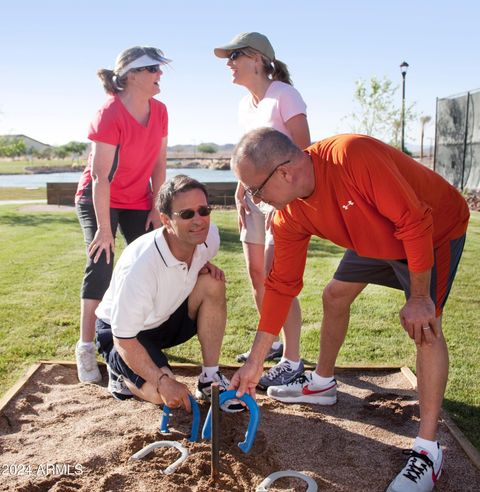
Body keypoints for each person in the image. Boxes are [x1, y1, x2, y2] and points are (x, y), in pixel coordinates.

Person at [229, 128, 469, 492]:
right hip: (373, 236)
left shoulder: (351, 157)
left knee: (426, 327)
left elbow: (414, 220)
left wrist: (419, 298)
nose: (254, 199)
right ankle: (322, 383)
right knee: (334, 295)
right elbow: (281, 286)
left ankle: (427, 450)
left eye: (255, 190)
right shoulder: (289, 213)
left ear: (284, 172)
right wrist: (256, 361)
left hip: (431, 229)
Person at [95, 175, 242, 412]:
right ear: (165, 220)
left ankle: (209, 378)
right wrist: (163, 381)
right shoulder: (141, 266)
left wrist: (202, 267)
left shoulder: (209, 237)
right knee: (163, 395)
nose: (199, 221)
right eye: (186, 214)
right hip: (122, 334)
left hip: (164, 318)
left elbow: (200, 257)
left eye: (203, 210)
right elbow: (123, 338)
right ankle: (120, 375)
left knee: (213, 283)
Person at [214, 32, 311, 390]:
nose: (229, 64)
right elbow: (250, 155)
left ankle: (293, 359)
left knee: (276, 276)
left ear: (256, 58)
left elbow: (304, 152)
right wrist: (242, 189)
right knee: (256, 272)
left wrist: (286, 202)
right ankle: (270, 343)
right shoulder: (245, 106)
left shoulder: (285, 95)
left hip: (281, 202)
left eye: (234, 55)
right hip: (253, 199)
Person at [74, 46, 170, 383]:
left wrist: (157, 207)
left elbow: (159, 165)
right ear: (131, 75)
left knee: (149, 261)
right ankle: (86, 346)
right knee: (102, 261)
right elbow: (101, 177)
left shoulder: (159, 111)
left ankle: (136, 336)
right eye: (153, 69)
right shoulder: (109, 113)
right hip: (99, 196)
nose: (160, 74)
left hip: (137, 198)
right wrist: (104, 229)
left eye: (160, 68)